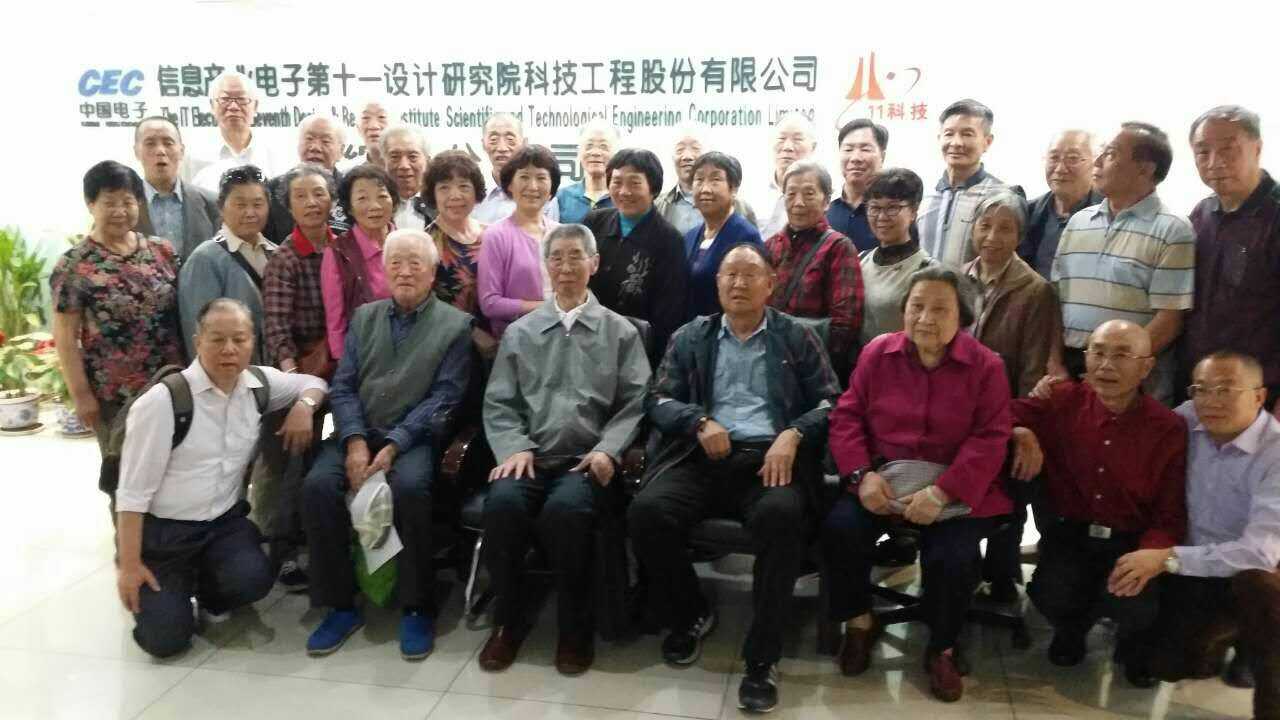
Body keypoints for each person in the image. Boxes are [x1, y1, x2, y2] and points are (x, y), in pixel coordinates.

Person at [630, 243, 840, 713]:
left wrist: (793, 433)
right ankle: (691, 611)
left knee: (781, 518)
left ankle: (762, 656)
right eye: (730, 275)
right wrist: (698, 422)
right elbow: (657, 399)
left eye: (750, 275)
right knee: (647, 513)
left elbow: (832, 401)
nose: (739, 283)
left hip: (770, 459)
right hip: (702, 453)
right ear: (717, 283)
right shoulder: (692, 336)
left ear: (771, 284)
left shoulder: (797, 337)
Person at [823, 266, 1013, 703]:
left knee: (955, 556)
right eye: (917, 306)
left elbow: (991, 437)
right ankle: (860, 622)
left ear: (962, 316)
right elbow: (847, 416)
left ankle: (942, 646)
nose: (925, 318)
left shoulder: (986, 366)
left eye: (940, 309)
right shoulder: (878, 353)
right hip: (884, 478)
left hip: (956, 488)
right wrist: (862, 475)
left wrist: (942, 492)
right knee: (840, 530)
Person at [479, 224, 650, 675]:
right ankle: (507, 622)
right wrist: (513, 446)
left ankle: (574, 628)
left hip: (584, 462)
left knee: (566, 513)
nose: (566, 267)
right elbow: (499, 402)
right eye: (556, 258)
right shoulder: (521, 332)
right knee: (502, 506)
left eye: (576, 256)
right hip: (531, 456)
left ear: (595, 264)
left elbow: (635, 403)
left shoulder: (620, 332)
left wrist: (608, 450)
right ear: (546, 266)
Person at [115, 298, 328, 658]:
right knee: (164, 642)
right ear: (198, 341)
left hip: (221, 525)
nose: (229, 349)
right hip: (165, 533)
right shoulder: (164, 402)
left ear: (252, 341)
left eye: (239, 339)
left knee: (254, 579)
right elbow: (132, 494)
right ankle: (173, 591)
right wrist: (130, 566)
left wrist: (303, 407)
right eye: (217, 339)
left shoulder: (258, 384)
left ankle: (205, 588)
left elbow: (314, 382)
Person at [303, 229, 472, 661]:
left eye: (416, 263)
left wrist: (396, 443)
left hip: (415, 438)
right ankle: (340, 605)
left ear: (432, 272)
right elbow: (343, 386)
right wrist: (355, 441)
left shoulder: (455, 326)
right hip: (358, 431)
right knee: (318, 486)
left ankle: (417, 606)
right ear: (384, 270)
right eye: (396, 262)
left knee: (411, 489)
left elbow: (446, 398)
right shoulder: (364, 318)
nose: (405, 272)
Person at [1013, 320, 1187, 688]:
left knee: (1135, 601)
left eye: (1121, 355)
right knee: (1051, 592)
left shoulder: (1167, 427)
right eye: (1098, 352)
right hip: (1072, 532)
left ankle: (1132, 640)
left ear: (1146, 367)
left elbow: (1170, 512)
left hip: (1131, 538)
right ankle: (1072, 628)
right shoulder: (1061, 400)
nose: (1106, 365)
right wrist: (1022, 431)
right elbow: (999, 415)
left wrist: (1152, 555)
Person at [1120, 351, 1280, 720]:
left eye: (1225, 390)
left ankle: (1263, 681)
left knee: (1263, 593)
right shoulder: (1186, 418)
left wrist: (1167, 558)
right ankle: (1220, 637)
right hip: (1193, 566)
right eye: (1201, 389)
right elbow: (1132, 421)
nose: (1210, 401)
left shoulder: (1274, 453)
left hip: (1252, 570)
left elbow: (1258, 554)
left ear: (1259, 396)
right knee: (1166, 665)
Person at [51, 160, 183, 518]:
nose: (120, 211)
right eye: (109, 202)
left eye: (128, 201)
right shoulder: (75, 264)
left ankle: (173, 545)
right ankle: (130, 548)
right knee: (125, 478)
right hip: (114, 395)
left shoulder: (161, 250)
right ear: (90, 204)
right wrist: (81, 395)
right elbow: (65, 337)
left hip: (169, 385)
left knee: (174, 471)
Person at [960, 189, 1063, 602]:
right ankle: (963, 577)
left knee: (1009, 499)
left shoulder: (1035, 289)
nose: (992, 237)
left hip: (1007, 417)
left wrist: (1016, 425)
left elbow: (1033, 370)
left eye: (1005, 228)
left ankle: (1003, 582)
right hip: (959, 417)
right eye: (985, 226)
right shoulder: (957, 278)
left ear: (1020, 235)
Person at [1052, 122, 1195, 404]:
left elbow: (1169, 320)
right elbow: (1056, 300)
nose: (1097, 162)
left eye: (1110, 154)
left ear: (1145, 169)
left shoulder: (1173, 230)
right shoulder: (1079, 222)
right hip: (1069, 369)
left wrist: (1109, 366)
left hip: (1130, 380)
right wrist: (1053, 361)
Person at [257, 163, 339, 590]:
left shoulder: (342, 247)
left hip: (343, 367)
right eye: (301, 196)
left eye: (318, 193)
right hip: (302, 369)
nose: (311, 203)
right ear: (288, 206)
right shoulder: (285, 259)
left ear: (332, 199)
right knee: (292, 459)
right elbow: (276, 329)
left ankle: (326, 541)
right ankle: (284, 550)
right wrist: (296, 386)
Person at [1182, 105, 1280, 408]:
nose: (1214, 162)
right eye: (1203, 152)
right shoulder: (1201, 214)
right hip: (1200, 386)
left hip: (1260, 393)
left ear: (1257, 148)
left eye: (1228, 149)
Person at [582, 148, 689, 367]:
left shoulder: (670, 241)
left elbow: (669, 315)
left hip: (636, 353)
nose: (624, 191)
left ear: (653, 188)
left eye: (634, 183)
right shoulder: (593, 223)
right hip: (585, 345)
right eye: (616, 182)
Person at [765, 159, 863, 379]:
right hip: (769, 362)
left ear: (826, 201)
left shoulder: (838, 247)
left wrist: (810, 366)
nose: (798, 203)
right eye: (791, 194)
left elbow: (845, 324)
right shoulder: (771, 245)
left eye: (809, 194)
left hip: (812, 370)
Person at [179, 165, 277, 363]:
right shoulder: (205, 260)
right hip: (230, 372)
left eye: (258, 204)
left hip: (275, 373)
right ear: (221, 207)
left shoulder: (277, 253)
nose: (250, 213)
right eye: (240, 205)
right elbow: (198, 333)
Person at [476, 144, 561, 338]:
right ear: (510, 185)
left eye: (541, 178)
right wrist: (547, 308)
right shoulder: (496, 235)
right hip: (517, 341)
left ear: (552, 188)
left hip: (562, 337)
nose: (533, 186)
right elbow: (490, 303)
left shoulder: (561, 234)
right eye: (524, 177)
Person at [320, 164, 398, 358]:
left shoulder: (409, 242)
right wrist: (343, 362)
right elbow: (335, 321)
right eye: (362, 198)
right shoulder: (338, 252)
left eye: (382, 196)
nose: (375, 206)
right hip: (365, 354)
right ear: (350, 208)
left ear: (394, 200)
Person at [916, 99, 1005, 267]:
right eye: (949, 134)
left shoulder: (1001, 197)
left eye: (967, 134)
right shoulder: (923, 195)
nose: (956, 143)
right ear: (939, 138)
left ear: (987, 142)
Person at [858, 169, 937, 345]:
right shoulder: (861, 259)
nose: (882, 217)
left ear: (913, 211)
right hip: (858, 360)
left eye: (893, 208)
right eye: (875, 208)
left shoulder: (927, 269)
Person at [684, 152, 764, 317]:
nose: (705, 189)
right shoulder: (690, 236)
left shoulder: (746, 237)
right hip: (690, 329)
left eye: (715, 180)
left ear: (733, 188)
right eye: (699, 180)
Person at [133, 116, 221, 263]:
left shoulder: (213, 203)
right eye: (150, 143)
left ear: (181, 150)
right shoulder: (123, 206)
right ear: (136, 151)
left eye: (168, 143)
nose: (160, 151)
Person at [1017, 130, 1101, 279]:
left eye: (1073, 158)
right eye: (1054, 158)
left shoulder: (1108, 215)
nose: (1060, 168)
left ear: (1096, 163)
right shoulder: (1027, 213)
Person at [189, 71, 284, 191]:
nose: (233, 106)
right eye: (225, 99)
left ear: (255, 106)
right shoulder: (194, 156)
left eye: (242, 99)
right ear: (212, 105)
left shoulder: (275, 155)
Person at [422, 150, 489, 320]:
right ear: (433, 194)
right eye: (444, 188)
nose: (455, 196)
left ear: (476, 191)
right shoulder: (425, 243)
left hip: (499, 329)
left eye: (463, 186)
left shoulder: (492, 234)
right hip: (448, 332)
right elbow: (422, 303)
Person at [262, 114, 349, 243]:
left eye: (325, 141)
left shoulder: (350, 189)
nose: (315, 147)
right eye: (309, 139)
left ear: (341, 151)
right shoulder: (273, 189)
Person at [655, 126, 757, 236]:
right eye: (680, 150)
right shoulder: (657, 206)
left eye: (695, 148)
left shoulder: (740, 207)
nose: (687, 156)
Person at [472, 113, 558, 223]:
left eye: (510, 139)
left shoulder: (541, 193)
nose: (502, 148)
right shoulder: (473, 193)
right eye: (493, 139)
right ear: (483, 144)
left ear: (524, 143)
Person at [751, 114, 818, 239]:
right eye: (781, 138)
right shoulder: (752, 193)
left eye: (797, 139)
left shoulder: (823, 196)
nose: (787, 147)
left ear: (813, 147)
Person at [826, 118, 887, 252]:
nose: (855, 158)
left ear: (882, 156)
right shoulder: (822, 207)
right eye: (848, 149)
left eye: (865, 149)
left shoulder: (893, 211)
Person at [555, 120, 618, 224]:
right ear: (579, 152)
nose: (595, 152)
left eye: (604, 146)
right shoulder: (561, 198)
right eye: (589, 146)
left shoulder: (623, 198)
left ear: (616, 153)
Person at [382, 124, 433, 230]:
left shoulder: (441, 204)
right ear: (383, 162)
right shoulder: (374, 205)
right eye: (395, 157)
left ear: (427, 161)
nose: (404, 166)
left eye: (412, 156)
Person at [336, 100, 389, 174]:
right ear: (358, 128)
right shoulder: (350, 176)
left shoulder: (403, 171)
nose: (373, 126)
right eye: (365, 118)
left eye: (381, 117)